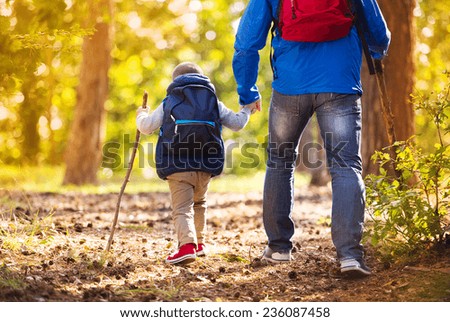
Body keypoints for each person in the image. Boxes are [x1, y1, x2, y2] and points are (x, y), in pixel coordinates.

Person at [233, 0, 390, 277]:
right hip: (340, 83)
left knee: (280, 162)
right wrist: (376, 52)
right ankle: (349, 255)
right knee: (345, 166)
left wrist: (247, 91)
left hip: (290, 86)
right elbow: (379, 34)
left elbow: (246, 42)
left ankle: (279, 247)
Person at [136, 62, 254, 265]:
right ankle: (199, 244)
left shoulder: (170, 101)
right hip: (205, 165)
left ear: (175, 81)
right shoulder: (212, 101)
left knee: (182, 208)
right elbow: (236, 123)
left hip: (177, 164)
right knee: (199, 203)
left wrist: (141, 113)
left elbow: (146, 127)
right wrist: (247, 109)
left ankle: (186, 247)